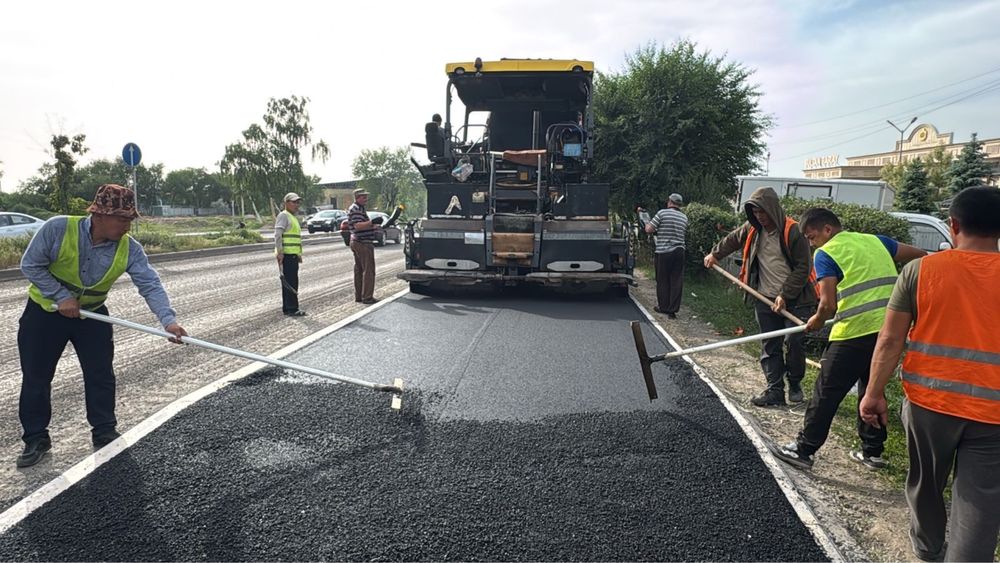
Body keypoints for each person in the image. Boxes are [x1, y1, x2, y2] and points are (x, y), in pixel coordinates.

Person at [859, 186, 1000, 563]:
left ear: (953, 225)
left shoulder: (921, 270)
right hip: (994, 416)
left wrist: (873, 393)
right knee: (980, 505)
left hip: (930, 406)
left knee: (925, 484)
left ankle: (928, 549)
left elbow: (890, 340)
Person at [17, 184, 187, 468]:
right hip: (44, 315)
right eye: (121, 219)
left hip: (92, 316)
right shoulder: (58, 229)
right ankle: (36, 438)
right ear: (99, 215)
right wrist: (61, 297)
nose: (126, 226)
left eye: (129, 219)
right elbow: (30, 265)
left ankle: (104, 430)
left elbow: (149, 283)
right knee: (37, 376)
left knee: (100, 374)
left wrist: (168, 321)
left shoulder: (129, 248)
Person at [771, 207, 925, 472]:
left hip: (854, 332)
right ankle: (872, 452)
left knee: (827, 391)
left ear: (827, 230)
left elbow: (828, 305)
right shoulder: (877, 241)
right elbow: (921, 256)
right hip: (888, 332)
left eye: (812, 236)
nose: (810, 243)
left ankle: (804, 449)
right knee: (871, 387)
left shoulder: (826, 253)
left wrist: (816, 322)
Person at [703, 187, 818, 406]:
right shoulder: (753, 229)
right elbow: (732, 239)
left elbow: (804, 267)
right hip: (764, 296)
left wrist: (785, 294)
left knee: (794, 342)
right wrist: (714, 254)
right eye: (755, 213)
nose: (760, 217)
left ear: (773, 209)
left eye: (763, 212)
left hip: (796, 300)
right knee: (770, 344)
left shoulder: (793, 231)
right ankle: (774, 390)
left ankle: (794, 382)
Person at [645, 193, 688, 318]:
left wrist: (647, 224)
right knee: (676, 280)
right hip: (680, 251)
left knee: (663, 279)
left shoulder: (662, 213)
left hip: (664, 251)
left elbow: (649, 229)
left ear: (670, 202)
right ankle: (673, 309)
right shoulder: (684, 218)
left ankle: (663, 307)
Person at [348, 188, 381, 304]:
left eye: (366, 196)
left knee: (359, 269)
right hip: (362, 242)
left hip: (357, 241)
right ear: (357, 198)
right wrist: (371, 222)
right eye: (363, 197)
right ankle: (367, 297)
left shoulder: (359, 208)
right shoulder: (356, 209)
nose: (366, 199)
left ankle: (359, 296)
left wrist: (373, 227)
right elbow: (357, 226)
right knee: (368, 270)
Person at [274, 192, 305, 316]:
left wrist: (298, 254)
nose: (296, 205)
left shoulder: (292, 217)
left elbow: (294, 238)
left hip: (292, 255)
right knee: (290, 282)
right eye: (294, 202)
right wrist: (280, 252)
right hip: (286, 255)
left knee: (290, 281)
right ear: (286, 203)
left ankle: (288, 307)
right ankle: (292, 308)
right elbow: (278, 235)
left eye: (298, 202)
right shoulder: (284, 215)